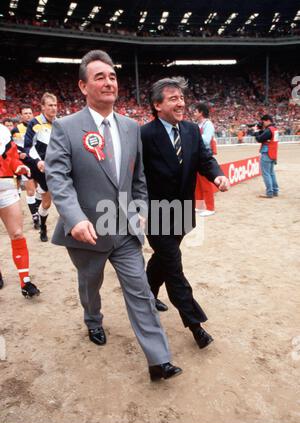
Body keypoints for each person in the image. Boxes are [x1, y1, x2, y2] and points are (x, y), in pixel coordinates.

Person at [45, 49, 181, 381]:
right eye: (99, 77)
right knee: (90, 286)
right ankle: (93, 320)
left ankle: (158, 359)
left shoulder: (131, 128)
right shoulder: (65, 126)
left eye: (112, 76)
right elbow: (58, 177)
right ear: (82, 86)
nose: (108, 82)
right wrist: (75, 218)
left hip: (123, 230)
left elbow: (139, 179)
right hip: (86, 231)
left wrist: (142, 210)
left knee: (141, 292)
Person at [141, 77, 229, 348]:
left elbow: (205, 159)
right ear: (157, 105)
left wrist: (217, 176)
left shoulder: (191, 130)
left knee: (163, 260)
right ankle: (195, 324)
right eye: (173, 99)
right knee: (174, 267)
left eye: (181, 98)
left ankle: (146, 293)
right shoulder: (144, 135)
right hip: (156, 215)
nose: (181, 103)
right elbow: (134, 174)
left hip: (182, 213)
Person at [0, 124, 40, 297]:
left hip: (7, 189)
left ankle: (25, 281)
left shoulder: (3, 132)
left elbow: (13, 158)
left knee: (17, 234)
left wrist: (18, 166)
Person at [23, 93, 57, 241]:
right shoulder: (35, 122)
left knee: (67, 197)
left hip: (59, 167)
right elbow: (28, 146)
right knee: (47, 203)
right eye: (50, 105)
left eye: (55, 105)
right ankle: (43, 227)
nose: (53, 108)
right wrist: (38, 161)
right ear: (43, 107)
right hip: (42, 167)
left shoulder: (60, 123)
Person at [11, 105, 40, 229]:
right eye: (25, 113)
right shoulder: (16, 130)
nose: (28, 115)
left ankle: (36, 209)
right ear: (21, 115)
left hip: (38, 162)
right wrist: (19, 154)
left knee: (41, 190)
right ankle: (35, 216)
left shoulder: (38, 127)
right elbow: (14, 147)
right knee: (30, 190)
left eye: (30, 113)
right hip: (25, 163)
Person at [194, 102, 217, 217]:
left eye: (195, 111)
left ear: (201, 113)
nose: (194, 113)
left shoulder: (208, 124)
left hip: (204, 156)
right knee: (197, 183)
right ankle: (199, 206)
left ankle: (210, 207)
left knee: (206, 183)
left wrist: (193, 137)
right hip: (197, 156)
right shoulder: (198, 124)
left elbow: (206, 140)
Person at [254, 114, 279, 198]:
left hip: (267, 152)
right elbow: (265, 137)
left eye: (263, 121)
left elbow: (259, 139)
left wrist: (256, 132)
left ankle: (269, 192)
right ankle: (275, 190)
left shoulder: (269, 130)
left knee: (266, 173)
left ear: (268, 120)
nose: (262, 123)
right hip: (273, 153)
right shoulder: (275, 129)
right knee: (271, 173)